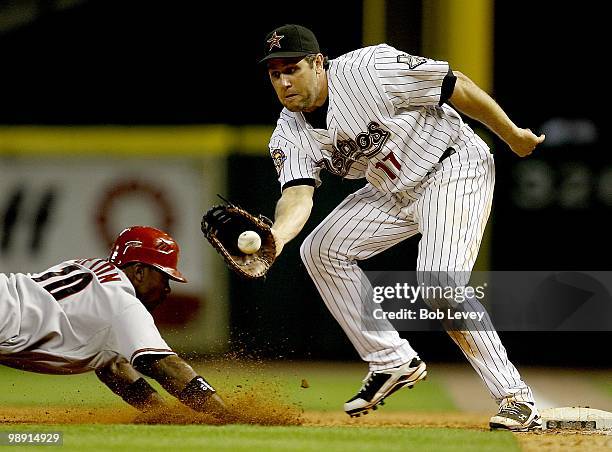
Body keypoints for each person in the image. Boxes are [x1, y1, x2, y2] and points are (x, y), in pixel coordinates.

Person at [260, 24, 545, 431]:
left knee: (438, 286)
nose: (285, 81)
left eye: (293, 68)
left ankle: (516, 398)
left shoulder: (369, 68)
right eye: (275, 74)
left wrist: (511, 134)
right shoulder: (289, 132)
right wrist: (278, 236)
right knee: (320, 250)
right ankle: (391, 361)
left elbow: (455, 84)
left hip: (451, 166)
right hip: (392, 189)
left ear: (319, 63)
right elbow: (297, 195)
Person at [0, 226, 230, 419]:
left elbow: (114, 367)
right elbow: (167, 367)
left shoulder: (91, 269)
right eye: (164, 276)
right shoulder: (123, 302)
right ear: (139, 272)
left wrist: (163, 415)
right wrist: (228, 417)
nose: (168, 288)